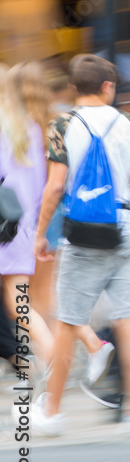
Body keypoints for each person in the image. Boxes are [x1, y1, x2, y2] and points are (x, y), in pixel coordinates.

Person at [31, 54, 130, 437]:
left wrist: (42, 234)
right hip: (126, 226)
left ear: (75, 88)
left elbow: (55, 187)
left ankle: (52, 412)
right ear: (108, 86)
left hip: (84, 232)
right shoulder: (127, 123)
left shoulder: (62, 124)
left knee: (67, 323)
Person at [8, 61, 115, 388]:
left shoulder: (15, 128)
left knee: (24, 299)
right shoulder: (55, 123)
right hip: (51, 215)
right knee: (45, 299)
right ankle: (64, 359)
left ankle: (56, 362)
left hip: (20, 220)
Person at [0, 64, 49, 378]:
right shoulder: (30, 127)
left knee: (19, 305)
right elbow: (41, 183)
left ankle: (53, 357)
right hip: (23, 225)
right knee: (20, 302)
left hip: (5, 226)